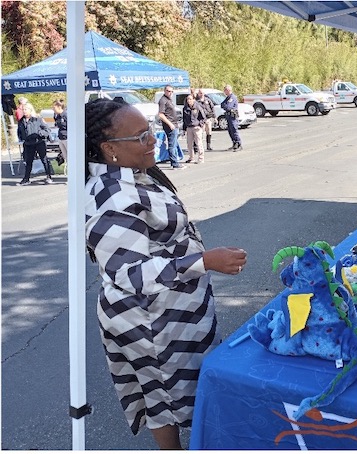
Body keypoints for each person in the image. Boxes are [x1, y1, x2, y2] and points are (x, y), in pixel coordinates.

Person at [84, 98, 247, 449]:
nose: (154, 140)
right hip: (148, 321)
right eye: (141, 137)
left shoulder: (134, 175)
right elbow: (131, 275)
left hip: (173, 311)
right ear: (109, 148)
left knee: (176, 389)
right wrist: (205, 261)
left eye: (150, 131)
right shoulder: (110, 198)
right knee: (162, 395)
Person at [16, 102, 52, 185]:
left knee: (44, 159)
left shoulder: (37, 119)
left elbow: (47, 129)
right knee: (28, 161)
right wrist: (21, 137)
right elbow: (19, 131)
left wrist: (40, 133)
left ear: (30, 110)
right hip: (28, 144)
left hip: (39, 142)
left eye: (26, 109)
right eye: (23, 110)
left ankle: (48, 176)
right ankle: (26, 179)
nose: (24, 111)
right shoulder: (21, 121)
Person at [157, 85, 184, 169]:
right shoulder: (163, 100)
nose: (170, 93)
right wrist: (170, 124)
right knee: (172, 145)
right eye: (168, 91)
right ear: (165, 91)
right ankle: (174, 163)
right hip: (170, 125)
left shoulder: (169, 100)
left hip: (175, 124)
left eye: (172, 91)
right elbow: (161, 114)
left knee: (175, 144)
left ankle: (176, 161)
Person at [182, 94, 206, 164]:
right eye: (187, 99)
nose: (189, 101)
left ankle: (201, 158)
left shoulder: (198, 107)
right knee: (189, 144)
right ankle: (191, 157)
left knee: (199, 143)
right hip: (189, 127)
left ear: (193, 99)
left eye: (190, 99)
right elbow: (184, 119)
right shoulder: (185, 108)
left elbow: (203, 118)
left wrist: (200, 125)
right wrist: (184, 129)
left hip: (196, 127)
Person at [221, 84, 242, 151]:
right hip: (228, 116)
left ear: (228, 90)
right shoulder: (228, 98)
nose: (224, 92)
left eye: (225, 90)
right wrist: (225, 106)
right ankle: (234, 143)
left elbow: (229, 107)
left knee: (234, 130)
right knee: (230, 131)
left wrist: (225, 106)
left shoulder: (232, 97)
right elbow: (222, 104)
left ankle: (238, 144)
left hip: (232, 117)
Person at [52, 99, 68, 175]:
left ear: (59, 107)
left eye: (54, 108)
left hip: (67, 138)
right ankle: (68, 172)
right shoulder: (57, 116)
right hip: (61, 138)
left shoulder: (65, 115)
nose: (53, 109)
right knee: (65, 157)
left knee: (70, 156)